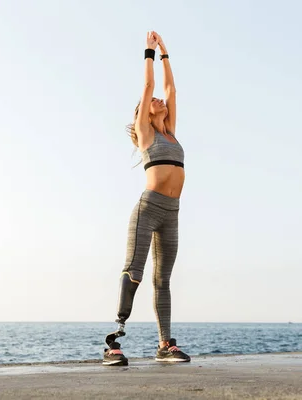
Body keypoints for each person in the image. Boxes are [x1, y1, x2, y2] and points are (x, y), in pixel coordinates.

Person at [102, 31, 190, 366]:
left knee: (162, 280)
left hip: (172, 212)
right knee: (134, 270)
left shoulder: (171, 131)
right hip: (148, 208)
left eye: (161, 103)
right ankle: (114, 342)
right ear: (143, 112)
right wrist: (149, 52)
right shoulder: (146, 132)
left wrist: (167, 52)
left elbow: (171, 90)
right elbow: (150, 88)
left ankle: (165, 344)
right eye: (153, 103)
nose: (160, 102)